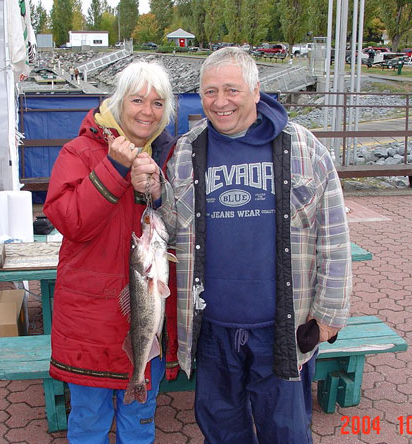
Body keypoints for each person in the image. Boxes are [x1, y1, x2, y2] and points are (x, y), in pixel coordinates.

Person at [157, 47, 352, 443]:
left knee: (287, 432)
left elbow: (334, 236)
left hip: (282, 328)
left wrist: (330, 314)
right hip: (211, 329)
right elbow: (171, 230)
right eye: (209, 91)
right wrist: (151, 191)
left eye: (231, 89)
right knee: (222, 431)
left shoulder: (304, 148)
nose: (220, 101)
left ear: (257, 90)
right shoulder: (186, 152)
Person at [42, 60, 177, 443]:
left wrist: (157, 193)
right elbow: (70, 221)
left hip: (145, 322)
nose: (147, 112)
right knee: (89, 421)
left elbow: (183, 226)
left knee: (139, 423)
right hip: (90, 325)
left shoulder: (167, 154)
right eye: (137, 99)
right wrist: (115, 169)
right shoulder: (79, 151)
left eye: (157, 103)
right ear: (118, 102)